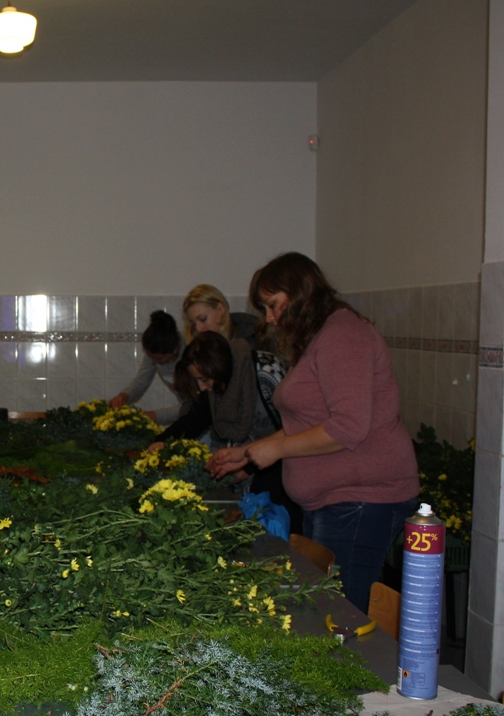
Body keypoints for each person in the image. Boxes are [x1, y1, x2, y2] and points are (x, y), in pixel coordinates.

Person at [207, 252, 418, 613]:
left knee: (341, 617)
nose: (269, 317)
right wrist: (248, 453)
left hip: (361, 499)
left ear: (300, 293)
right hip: (336, 501)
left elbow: (348, 426)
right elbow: (305, 423)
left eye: (273, 305)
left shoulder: (343, 334)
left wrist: (275, 451)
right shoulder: (321, 337)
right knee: (326, 611)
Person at [149, 331, 300, 532]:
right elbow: (197, 417)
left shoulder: (265, 372)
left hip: (281, 478)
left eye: (204, 379)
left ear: (217, 367)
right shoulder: (217, 381)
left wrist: (249, 467)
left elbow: (294, 429)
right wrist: (163, 440)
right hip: (247, 476)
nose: (202, 387)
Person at [108, 310, 185, 423]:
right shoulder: (154, 354)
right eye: (151, 357)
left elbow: (195, 405)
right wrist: (124, 396)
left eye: (159, 358)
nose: (154, 362)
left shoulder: (190, 352)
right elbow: (140, 382)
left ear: (174, 349)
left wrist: (151, 416)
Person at [182, 283, 264, 350]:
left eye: (203, 319)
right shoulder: (194, 346)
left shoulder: (252, 340)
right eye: (193, 324)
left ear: (220, 309)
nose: (198, 329)